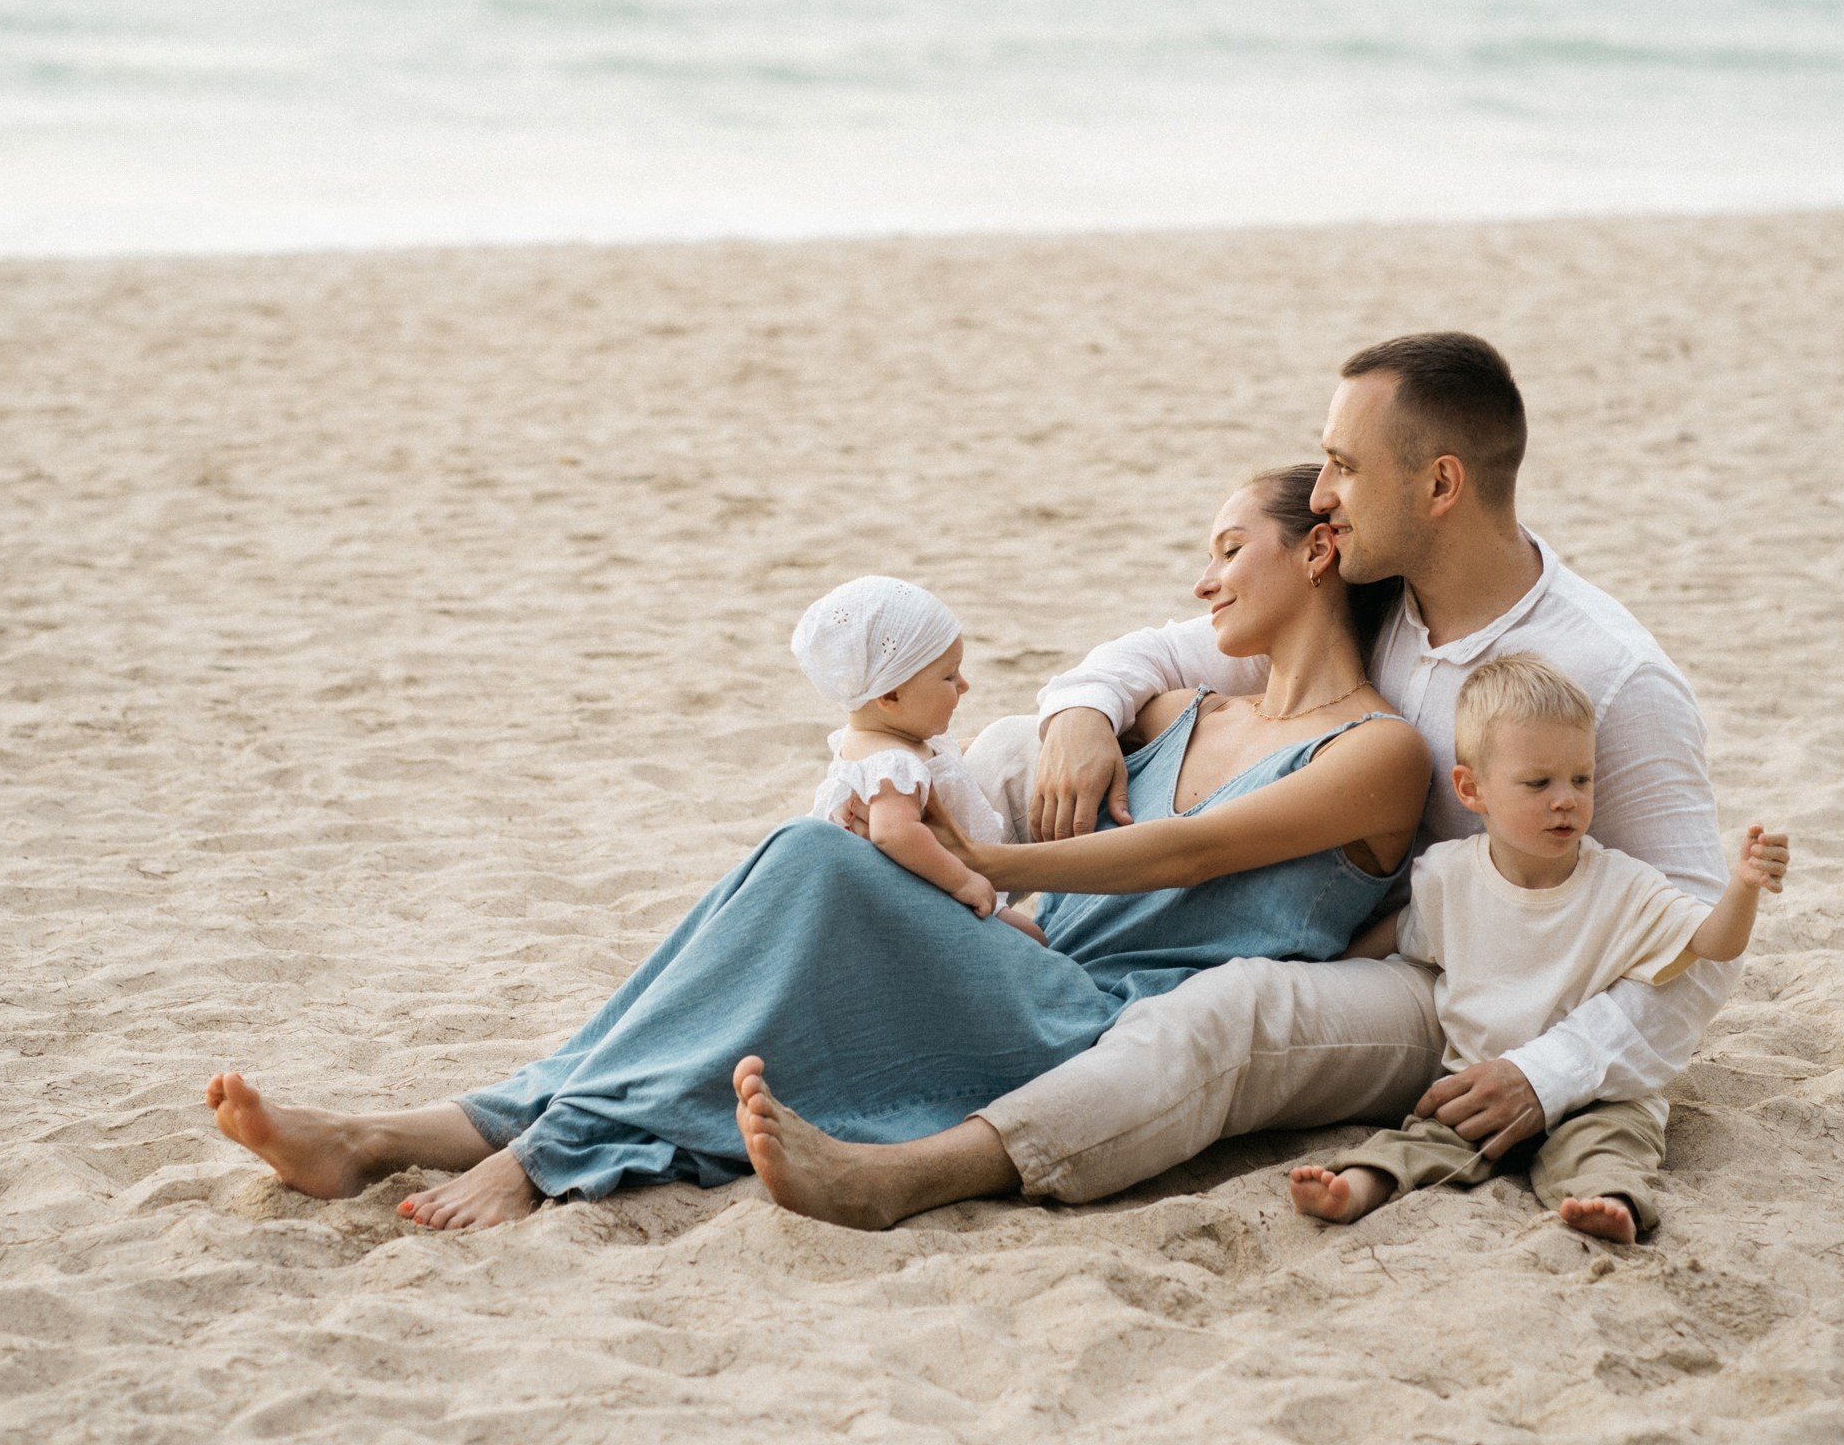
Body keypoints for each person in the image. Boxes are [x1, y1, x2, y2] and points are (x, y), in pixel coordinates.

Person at [205, 466, 1430, 1230]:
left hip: (1087, 1013)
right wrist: (1077, 716)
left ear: (1318, 550)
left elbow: (1192, 856)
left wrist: (980, 866)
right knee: (796, 870)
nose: (1204, 580)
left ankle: (539, 1148)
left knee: (814, 863)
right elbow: (1104, 677)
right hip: (1011, 956)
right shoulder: (1179, 708)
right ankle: (387, 1134)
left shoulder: (1377, 752)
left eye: (1229, 548)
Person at [732, 331, 1736, 1230]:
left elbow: (1700, 937)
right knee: (1004, 746)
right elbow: (1160, 650)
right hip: (1353, 898)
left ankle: (915, 1173)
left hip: (1461, 986)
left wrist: (1546, 1072)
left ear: (1439, 485)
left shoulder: (1612, 675)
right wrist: (1080, 714)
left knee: (1235, 1008)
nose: (1324, 494)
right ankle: (857, 966)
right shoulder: (1377, 595)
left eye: (1345, 466)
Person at [1287, 653, 1788, 1242]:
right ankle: (1355, 1188)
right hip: (1480, 1086)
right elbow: (1401, 933)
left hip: (1598, 1097)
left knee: (1610, 1147)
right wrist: (1329, 969)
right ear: (1472, 788)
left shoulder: (1621, 885)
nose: (1566, 800)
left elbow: (1713, 944)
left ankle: (1608, 1204)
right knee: (1419, 1140)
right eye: (1538, 783)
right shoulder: (1447, 876)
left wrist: (1744, 886)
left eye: (1581, 779)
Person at [791, 574, 1045, 943]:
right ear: (891, 696)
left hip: (932, 884)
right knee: (1033, 939)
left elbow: (941, 762)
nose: (964, 685)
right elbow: (893, 833)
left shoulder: (884, 739)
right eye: (949, 676)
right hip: (930, 892)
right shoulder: (891, 764)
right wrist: (962, 881)